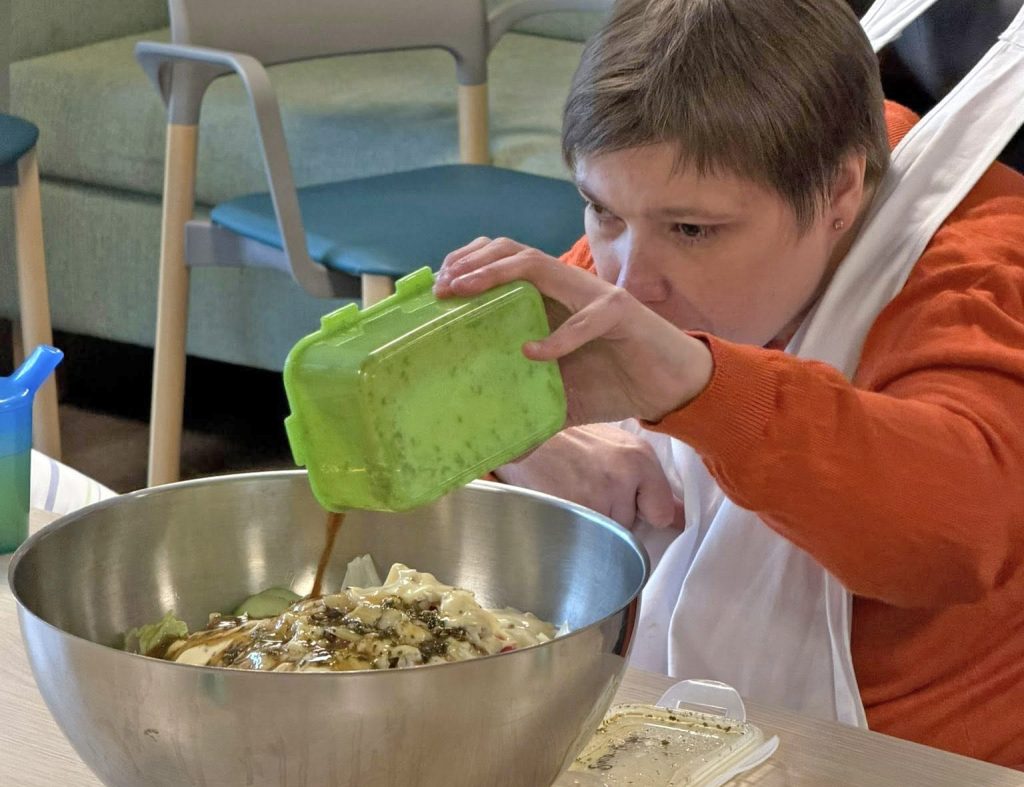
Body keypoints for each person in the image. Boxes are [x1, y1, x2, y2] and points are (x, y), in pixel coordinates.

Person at [434, 0, 1024, 768]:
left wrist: (700, 389)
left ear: (841, 195)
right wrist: (520, 441)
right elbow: (443, 428)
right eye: (601, 210)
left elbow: (956, 531)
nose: (628, 280)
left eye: (691, 232)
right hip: (673, 730)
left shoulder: (981, 272)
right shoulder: (675, 198)